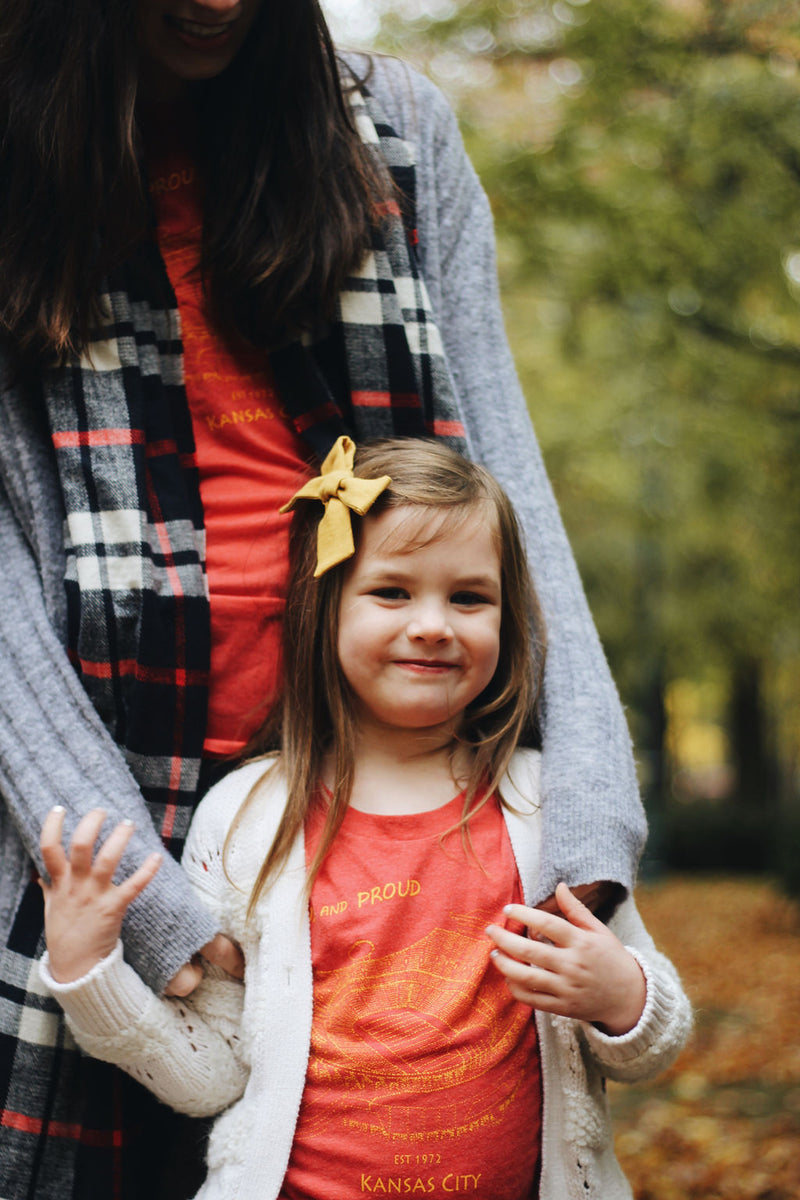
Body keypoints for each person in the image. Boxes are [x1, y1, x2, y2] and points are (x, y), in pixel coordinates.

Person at [0, 1, 647, 1196]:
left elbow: (500, 468)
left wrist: (593, 803)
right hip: (98, 812)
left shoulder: (389, 131)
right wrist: (130, 888)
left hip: (390, 771)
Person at [37, 438, 692, 1200]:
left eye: (470, 598)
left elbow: (649, 1048)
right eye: (391, 592)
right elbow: (211, 1075)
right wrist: (89, 973)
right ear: (325, 608)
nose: (434, 625)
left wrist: (623, 998)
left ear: (510, 620)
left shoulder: (550, 803)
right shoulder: (247, 818)